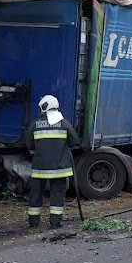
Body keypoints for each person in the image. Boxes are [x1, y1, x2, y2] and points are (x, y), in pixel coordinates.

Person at [24, 95, 79, 229]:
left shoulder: (35, 124)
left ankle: (33, 223)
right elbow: (75, 142)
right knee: (57, 195)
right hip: (59, 169)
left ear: (44, 107)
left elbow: (29, 145)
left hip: (40, 169)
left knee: (36, 195)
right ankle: (55, 223)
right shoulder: (65, 124)